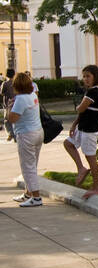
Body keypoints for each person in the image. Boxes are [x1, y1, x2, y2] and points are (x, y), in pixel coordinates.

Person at [63, 65, 98, 198]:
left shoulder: (95, 92)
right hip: (83, 127)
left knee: (90, 157)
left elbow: (80, 108)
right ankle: (81, 168)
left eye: (88, 76)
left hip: (90, 130)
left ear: (95, 77)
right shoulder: (90, 91)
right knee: (68, 144)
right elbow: (82, 112)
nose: (85, 79)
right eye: (84, 76)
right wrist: (74, 124)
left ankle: (97, 187)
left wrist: (80, 106)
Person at [8, 70, 43, 206]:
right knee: (32, 165)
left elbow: (12, 118)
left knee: (27, 167)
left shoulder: (21, 99)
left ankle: (36, 197)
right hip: (38, 132)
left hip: (26, 135)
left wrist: (10, 106)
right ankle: (28, 193)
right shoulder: (33, 94)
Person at [2, 68, 16, 140]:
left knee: (7, 120)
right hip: (16, 102)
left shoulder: (5, 83)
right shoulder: (16, 82)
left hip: (7, 103)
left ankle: (10, 133)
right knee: (16, 119)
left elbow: (1, 92)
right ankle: (16, 134)